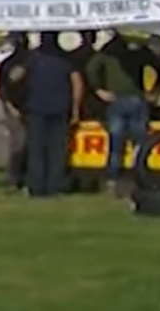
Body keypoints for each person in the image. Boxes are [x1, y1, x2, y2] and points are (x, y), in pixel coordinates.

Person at [85, 30, 150, 198]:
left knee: (115, 142)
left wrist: (98, 89)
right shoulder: (139, 49)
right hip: (136, 98)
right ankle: (139, 177)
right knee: (139, 143)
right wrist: (155, 89)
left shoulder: (108, 51)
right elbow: (157, 65)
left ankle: (113, 181)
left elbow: (91, 68)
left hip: (117, 99)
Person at [22, 32, 83, 199]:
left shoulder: (33, 58)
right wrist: (75, 109)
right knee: (58, 150)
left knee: (36, 149)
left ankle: (37, 186)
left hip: (36, 108)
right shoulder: (66, 58)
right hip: (60, 108)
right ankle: (54, 185)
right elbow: (77, 84)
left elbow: (17, 76)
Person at [0, 33, 32, 194]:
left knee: (28, 145)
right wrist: (10, 107)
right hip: (15, 108)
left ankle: (25, 178)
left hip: (30, 107)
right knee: (19, 144)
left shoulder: (32, 61)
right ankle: (14, 179)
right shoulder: (7, 64)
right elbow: (2, 90)